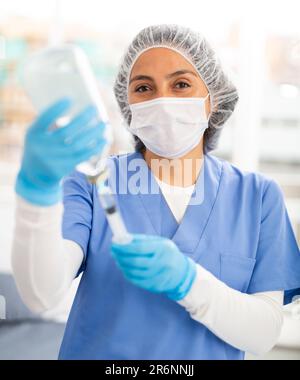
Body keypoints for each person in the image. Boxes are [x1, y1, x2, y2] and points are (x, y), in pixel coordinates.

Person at [12, 24, 300, 360]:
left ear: (213, 98)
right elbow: (42, 295)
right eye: (144, 87)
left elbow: (263, 333)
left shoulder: (257, 196)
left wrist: (189, 282)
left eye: (180, 84)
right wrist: (36, 195)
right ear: (127, 104)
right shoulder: (92, 183)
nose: (162, 100)